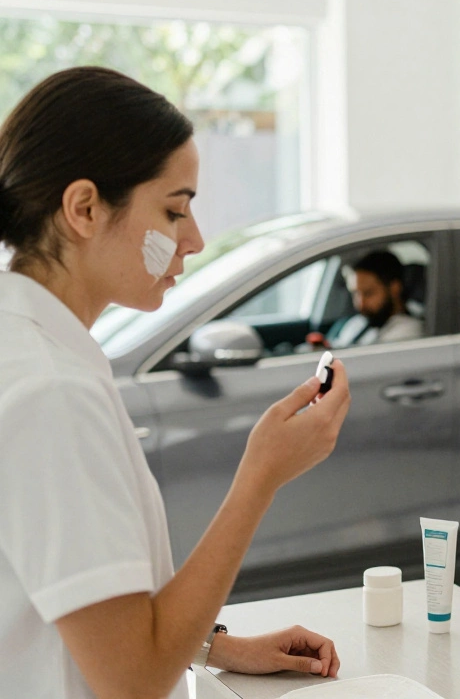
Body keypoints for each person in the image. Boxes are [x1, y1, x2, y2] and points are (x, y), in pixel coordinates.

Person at [0, 67, 352, 698]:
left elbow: (75, 600)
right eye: (174, 209)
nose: (193, 239)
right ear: (84, 208)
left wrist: (215, 645)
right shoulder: (52, 394)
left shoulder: (30, 346)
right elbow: (132, 680)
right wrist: (261, 475)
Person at [327, 250, 423, 347]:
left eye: (368, 293)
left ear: (394, 288)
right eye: (356, 293)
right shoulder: (358, 322)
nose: (360, 304)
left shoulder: (409, 331)